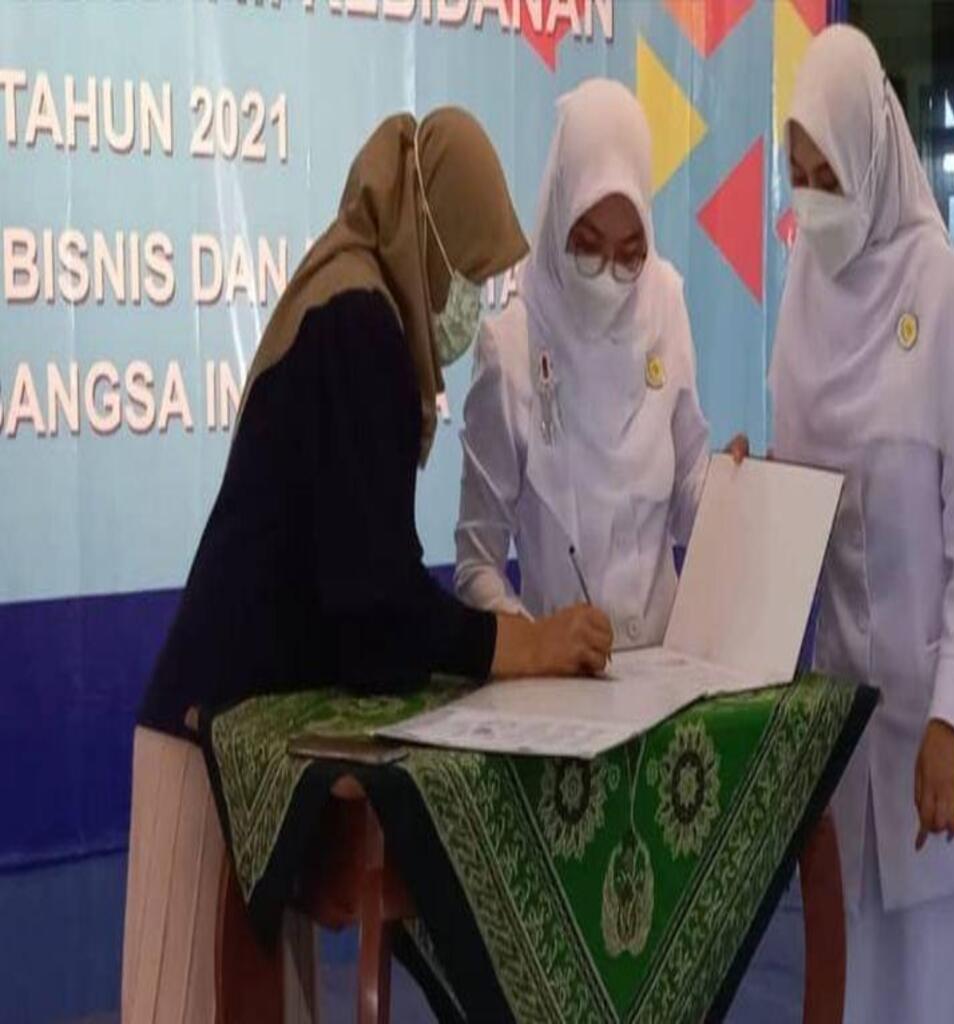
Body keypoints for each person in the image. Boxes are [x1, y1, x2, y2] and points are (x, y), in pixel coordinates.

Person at [121, 107, 613, 1023]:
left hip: (236, 741)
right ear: (427, 231)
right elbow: (374, 607)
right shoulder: (359, 324)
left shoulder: (351, 297)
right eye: (467, 271)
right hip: (209, 750)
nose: (469, 301)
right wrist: (518, 645)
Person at [770, 26, 954, 1024]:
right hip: (847, 741)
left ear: (872, 155)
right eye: (798, 174)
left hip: (933, 735)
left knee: (937, 999)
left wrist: (949, 718)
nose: (813, 198)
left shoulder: (945, 284)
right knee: (850, 992)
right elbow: (799, 501)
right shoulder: (801, 299)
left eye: (829, 174)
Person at [455, 79, 711, 649]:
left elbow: (691, 495)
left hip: (669, 672)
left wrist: (740, 490)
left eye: (629, 255)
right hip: (560, 682)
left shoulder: (665, 304)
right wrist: (540, 644)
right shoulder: (510, 348)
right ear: (558, 218)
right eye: (588, 246)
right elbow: (476, 566)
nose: (607, 277)